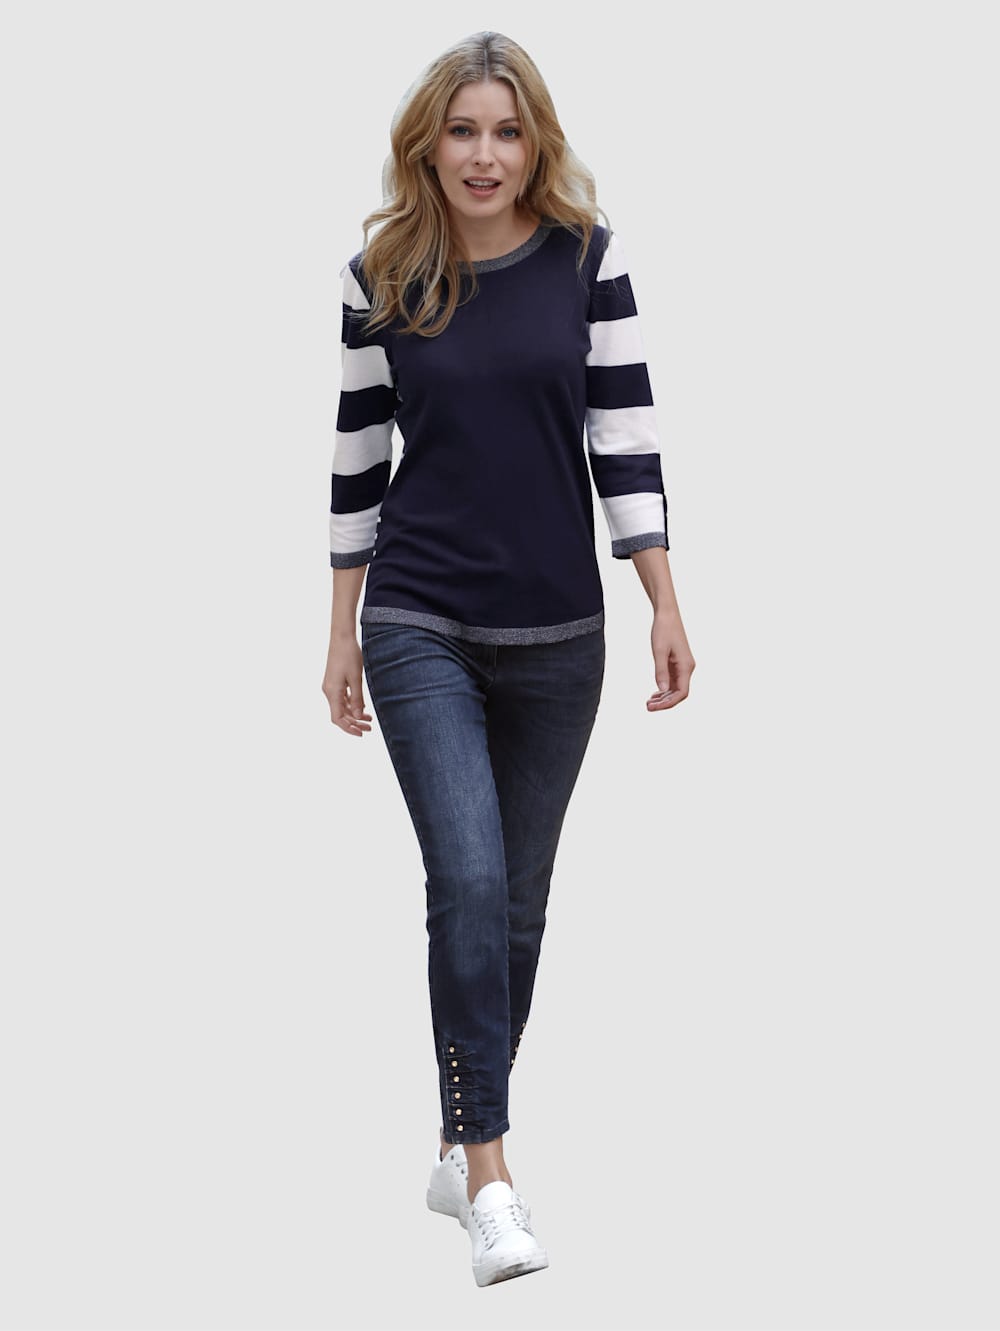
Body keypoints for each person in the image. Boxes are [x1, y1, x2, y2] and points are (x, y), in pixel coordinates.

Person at [321, 29, 695, 1287]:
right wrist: (339, 629)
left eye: (507, 130)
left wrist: (662, 597)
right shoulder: (380, 274)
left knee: (519, 905)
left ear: (535, 142)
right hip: (417, 617)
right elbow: (357, 459)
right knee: (469, 882)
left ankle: (449, 1132)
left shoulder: (586, 260)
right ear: (427, 143)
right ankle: (490, 1175)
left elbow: (624, 437)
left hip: (559, 635)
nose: (484, 155)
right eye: (463, 130)